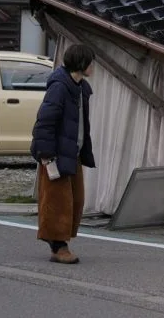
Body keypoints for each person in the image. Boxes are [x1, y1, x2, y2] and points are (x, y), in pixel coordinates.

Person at [30, 43, 96, 264]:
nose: (93, 67)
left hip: (72, 151)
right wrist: (45, 153)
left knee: (75, 200)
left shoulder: (79, 87)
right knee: (58, 200)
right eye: (90, 62)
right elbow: (44, 121)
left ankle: (61, 242)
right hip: (56, 153)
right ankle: (59, 247)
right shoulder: (59, 87)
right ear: (82, 63)